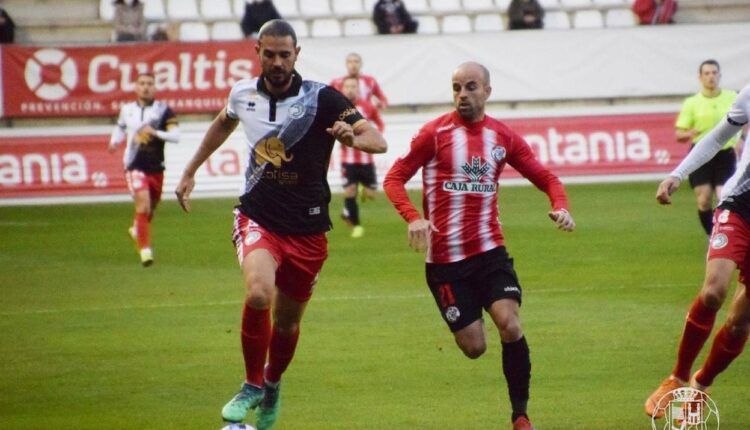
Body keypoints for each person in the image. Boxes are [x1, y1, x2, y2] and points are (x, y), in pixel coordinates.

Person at [174, 20, 386, 429]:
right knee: (258, 293)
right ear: (257, 51)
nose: (276, 62)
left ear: (296, 54)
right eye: (269, 54)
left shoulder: (322, 98)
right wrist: (190, 169)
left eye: (284, 55)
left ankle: (272, 382)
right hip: (259, 216)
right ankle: (252, 384)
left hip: (308, 230)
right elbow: (223, 120)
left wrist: (352, 138)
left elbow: (377, 139)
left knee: (287, 324)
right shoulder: (242, 94)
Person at [383, 62, 575, 430]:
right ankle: (469, 316)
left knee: (509, 323)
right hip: (445, 263)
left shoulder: (502, 137)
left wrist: (560, 206)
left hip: (489, 252)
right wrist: (412, 216)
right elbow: (394, 178)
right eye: (456, 88)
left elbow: (546, 177)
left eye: (470, 87)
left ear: (487, 91)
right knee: (475, 348)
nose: (462, 95)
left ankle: (520, 415)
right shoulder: (433, 134)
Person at [646, 84, 750, 418]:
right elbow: (719, 137)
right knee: (713, 293)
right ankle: (676, 376)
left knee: (740, 322)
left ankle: (700, 385)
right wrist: (679, 174)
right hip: (740, 205)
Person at [108, 72, 180, 267]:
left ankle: (136, 229)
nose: (146, 87)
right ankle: (145, 251)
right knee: (144, 206)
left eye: (149, 83)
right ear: (136, 87)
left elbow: (176, 136)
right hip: (134, 165)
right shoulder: (127, 110)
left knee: (151, 209)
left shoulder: (164, 110)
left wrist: (155, 132)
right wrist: (114, 142)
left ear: (154, 87)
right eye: (142, 83)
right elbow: (120, 128)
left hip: (156, 167)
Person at [675, 60, 739, 236]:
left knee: (724, 196)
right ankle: (713, 236)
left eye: (714, 73)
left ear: (719, 75)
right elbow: (679, 134)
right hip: (701, 155)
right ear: (700, 77)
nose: (711, 77)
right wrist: (689, 133)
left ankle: (731, 234)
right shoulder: (692, 103)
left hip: (725, 154)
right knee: (703, 199)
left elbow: (744, 121)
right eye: (707, 73)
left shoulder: (732, 97)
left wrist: (741, 140)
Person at [338, 76, 385, 238]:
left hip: (366, 159)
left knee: (371, 194)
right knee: (350, 191)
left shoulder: (367, 107)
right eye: (347, 87)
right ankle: (356, 225)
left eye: (353, 87)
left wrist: (371, 138)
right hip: (348, 161)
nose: (350, 89)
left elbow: (380, 124)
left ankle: (348, 208)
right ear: (342, 89)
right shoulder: (337, 106)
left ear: (358, 89)